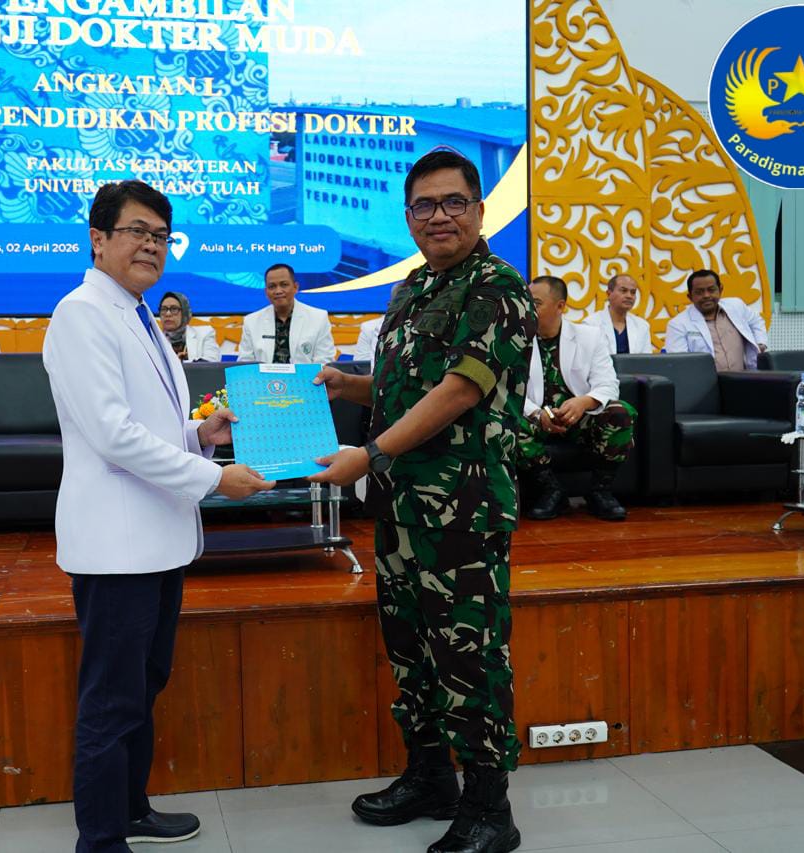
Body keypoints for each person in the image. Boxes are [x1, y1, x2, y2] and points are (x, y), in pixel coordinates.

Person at [310, 148, 534, 853]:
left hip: (462, 508)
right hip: (402, 507)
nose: (439, 216)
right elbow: (406, 387)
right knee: (411, 650)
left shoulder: (498, 287)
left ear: (479, 209)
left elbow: (460, 391)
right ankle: (432, 776)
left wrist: (372, 453)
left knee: (469, 655)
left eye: (453, 202)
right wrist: (349, 386)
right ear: (408, 218)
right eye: (424, 205)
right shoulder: (411, 289)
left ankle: (490, 808)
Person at [42, 180, 273, 853]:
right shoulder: (82, 314)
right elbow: (112, 434)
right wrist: (214, 477)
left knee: (143, 684)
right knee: (112, 698)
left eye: (161, 236)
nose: (151, 245)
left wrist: (201, 434)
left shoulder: (138, 313)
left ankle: (131, 809)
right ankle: (101, 839)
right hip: (118, 546)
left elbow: (150, 423)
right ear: (98, 239)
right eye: (137, 231)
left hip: (158, 540)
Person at [520, 276, 635, 522]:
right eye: (526, 301)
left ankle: (600, 491)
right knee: (503, 418)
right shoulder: (516, 340)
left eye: (536, 303)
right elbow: (511, 391)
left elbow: (608, 384)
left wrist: (584, 402)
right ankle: (551, 491)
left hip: (579, 420)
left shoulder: (589, 337)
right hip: (537, 421)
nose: (528, 307)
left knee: (620, 412)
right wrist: (538, 414)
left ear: (560, 306)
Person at [664, 269, 768, 370]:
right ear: (690, 296)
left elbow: (756, 321)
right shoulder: (678, 324)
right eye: (699, 292)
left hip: (743, 378)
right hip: (706, 381)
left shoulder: (736, 306)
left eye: (711, 290)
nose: (706, 295)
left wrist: (761, 343)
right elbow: (680, 363)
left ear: (720, 290)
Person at [236, 263, 336, 363]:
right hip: (263, 374)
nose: (278, 291)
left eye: (284, 285)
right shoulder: (251, 322)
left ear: (295, 287)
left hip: (307, 374)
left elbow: (325, 362)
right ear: (266, 292)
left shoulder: (318, 318)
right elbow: (244, 364)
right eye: (272, 286)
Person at [582, 273, 653, 354]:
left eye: (633, 292)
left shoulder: (642, 326)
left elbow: (646, 360)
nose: (629, 296)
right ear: (609, 294)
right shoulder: (590, 324)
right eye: (623, 291)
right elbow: (585, 358)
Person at [157, 291, 220, 361]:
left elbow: (212, 362)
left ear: (185, 313)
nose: (168, 314)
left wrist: (183, 363)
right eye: (164, 309)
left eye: (174, 309)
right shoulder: (154, 340)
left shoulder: (204, 334)